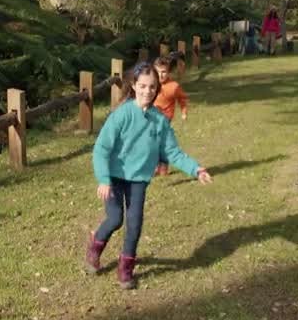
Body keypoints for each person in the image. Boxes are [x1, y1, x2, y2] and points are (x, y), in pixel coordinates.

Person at [84, 63, 213, 289]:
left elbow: (172, 151)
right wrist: (103, 179)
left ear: (157, 89)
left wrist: (196, 169)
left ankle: (126, 267)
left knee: (134, 224)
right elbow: (101, 149)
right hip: (114, 177)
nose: (147, 91)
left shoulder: (159, 121)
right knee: (115, 219)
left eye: (152, 87)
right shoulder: (121, 115)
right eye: (142, 86)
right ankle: (95, 247)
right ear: (133, 86)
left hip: (138, 180)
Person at [152, 55, 189, 176]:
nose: (161, 75)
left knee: (162, 143)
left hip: (164, 120)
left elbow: (182, 99)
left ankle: (163, 166)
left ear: (168, 72)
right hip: (150, 118)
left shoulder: (174, 86)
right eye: (158, 72)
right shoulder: (151, 85)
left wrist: (184, 112)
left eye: (164, 72)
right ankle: (153, 166)